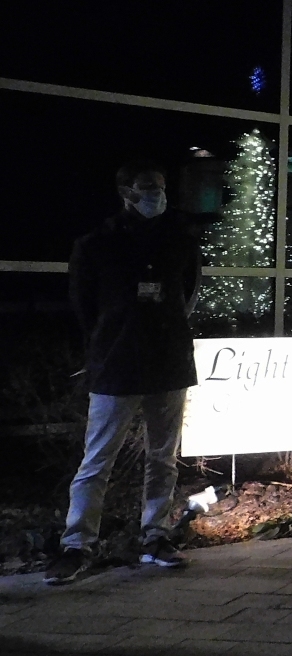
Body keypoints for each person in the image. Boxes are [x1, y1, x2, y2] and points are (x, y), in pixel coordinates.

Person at [44, 162, 202, 585]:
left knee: (163, 458)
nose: (157, 195)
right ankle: (77, 545)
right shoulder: (97, 244)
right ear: (125, 192)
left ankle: (156, 536)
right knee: (97, 459)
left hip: (168, 361)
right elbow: (85, 306)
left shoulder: (179, 239)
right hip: (117, 362)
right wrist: (112, 338)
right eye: (148, 187)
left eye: (161, 187)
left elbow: (186, 293)